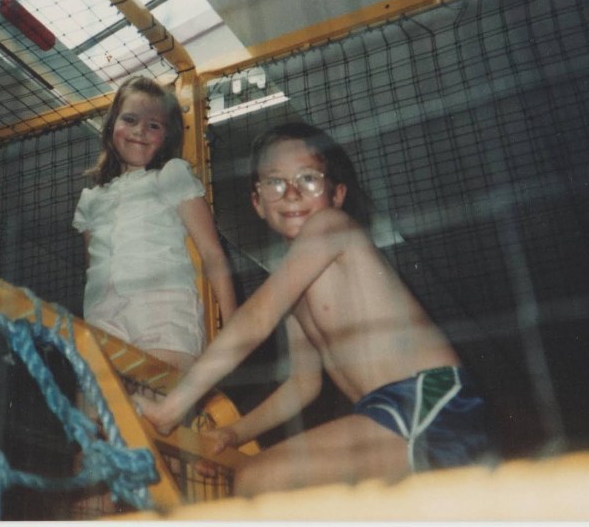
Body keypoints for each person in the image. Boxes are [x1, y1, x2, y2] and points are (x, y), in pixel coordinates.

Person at [137, 122, 492, 496]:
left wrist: (173, 405)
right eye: (275, 182)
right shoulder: (295, 278)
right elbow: (303, 384)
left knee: (260, 479)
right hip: (384, 411)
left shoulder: (330, 226)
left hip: (430, 401)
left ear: (337, 195)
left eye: (308, 179)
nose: (291, 193)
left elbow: (256, 318)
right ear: (257, 201)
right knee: (264, 480)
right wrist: (234, 432)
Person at [73, 76, 237, 372]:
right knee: (97, 411)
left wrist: (234, 329)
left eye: (154, 125)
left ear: (166, 137)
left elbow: (212, 253)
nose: (140, 130)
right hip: (103, 318)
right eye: (130, 119)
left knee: (157, 405)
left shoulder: (170, 176)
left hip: (162, 313)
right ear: (111, 127)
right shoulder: (91, 200)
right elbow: (92, 267)